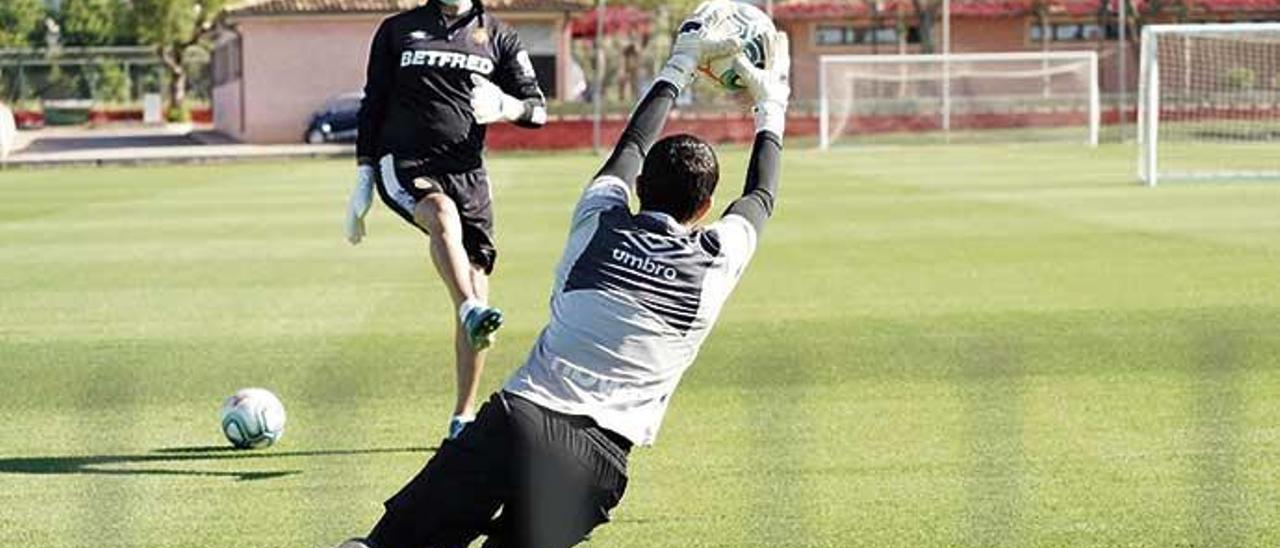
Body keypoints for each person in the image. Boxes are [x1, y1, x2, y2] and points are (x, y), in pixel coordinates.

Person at [339, 18, 792, 548]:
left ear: (638, 186)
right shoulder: (716, 259)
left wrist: (680, 65)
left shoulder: (597, 219)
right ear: (707, 209)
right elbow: (761, 197)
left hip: (518, 420)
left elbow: (631, 144)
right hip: (593, 464)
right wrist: (771, 106)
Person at [344, 0, 548, 438]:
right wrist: (363, 173)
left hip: (470, 174)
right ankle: (469, 308)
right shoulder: (398, 29)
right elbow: (373, 102)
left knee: (477, 287)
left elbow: (539, 109)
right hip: (405, 163)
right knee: (440, 214)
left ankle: (463, 416)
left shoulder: (499, 36)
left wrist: (508, 107)